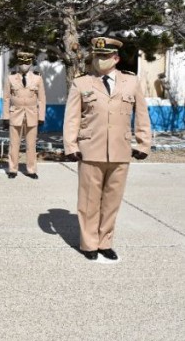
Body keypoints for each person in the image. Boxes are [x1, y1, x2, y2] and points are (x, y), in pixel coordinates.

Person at [63, 37, 151, 261]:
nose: (100, 60)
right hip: (91, 149)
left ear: (116, 58)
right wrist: (71, 146)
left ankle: (105, 242)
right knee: (89, 200)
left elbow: (141, 114)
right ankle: (89, 243)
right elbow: (71, 118)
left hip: (120, 150)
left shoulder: (131, 82)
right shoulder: (81, 83)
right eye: (97, 56)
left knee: (112, 201)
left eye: (105, 56)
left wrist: (143, 143)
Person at [2, 51, 46, 179]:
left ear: (31, 63)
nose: (24, 65)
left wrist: (41, 117)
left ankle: (31, 170)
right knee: (14, 144)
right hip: (15, 113)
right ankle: (12, 169)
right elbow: (6, 98)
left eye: (27, 62)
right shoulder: (10, 77)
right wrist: (5, 117)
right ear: (18, 63)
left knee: (31, 145)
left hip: (32, 115)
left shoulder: (37, 78)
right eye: (22, 62)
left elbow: (42, 99)